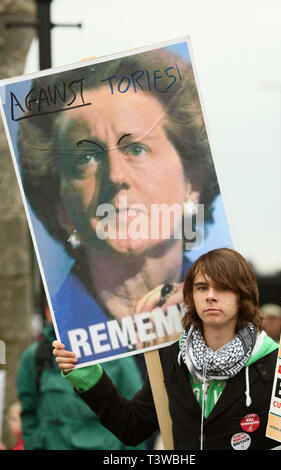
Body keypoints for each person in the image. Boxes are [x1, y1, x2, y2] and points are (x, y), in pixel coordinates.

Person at [17, 45, 225, 360]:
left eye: (137, 149)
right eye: (86, 157)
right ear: (61, 208)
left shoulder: (233, 321)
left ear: (191, 184)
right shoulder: (49, 355)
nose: (114, 176)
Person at [52, 248, 281, 450]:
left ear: (243, 295)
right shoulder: (172, 358)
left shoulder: (277, 364)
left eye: (222, 288)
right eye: (202, 288)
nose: (211, 296)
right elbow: (132, 427)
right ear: (191, 296)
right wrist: (88, 378)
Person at [16, 302, 146, 450]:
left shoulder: (115, 352)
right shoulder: (35, 357)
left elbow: (135, 416)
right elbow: (28, 414)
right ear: (48, 313)